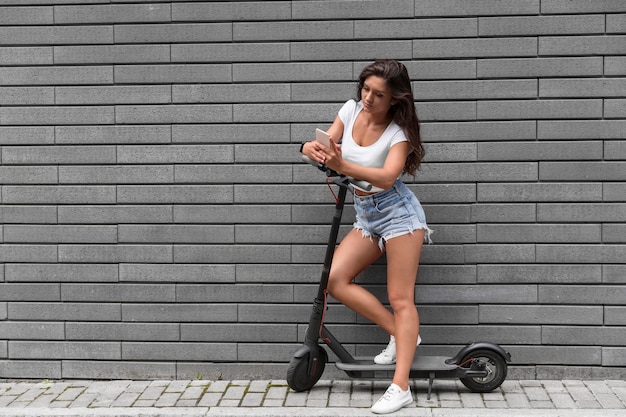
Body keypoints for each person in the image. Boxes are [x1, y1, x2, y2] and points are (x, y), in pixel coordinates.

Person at [300, 59, 433, 414]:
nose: (369, 98)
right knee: (336, 280)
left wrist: (342, 165)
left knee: (401, 298)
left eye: (379, 94)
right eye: (366, 89)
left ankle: (400, 387)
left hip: (398, 216)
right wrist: (308, 150)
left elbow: (388, 178)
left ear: (395, 100)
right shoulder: (350, 109)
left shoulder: (398, 134)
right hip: (366, 215)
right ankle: (402, 334)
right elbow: (327, 146)